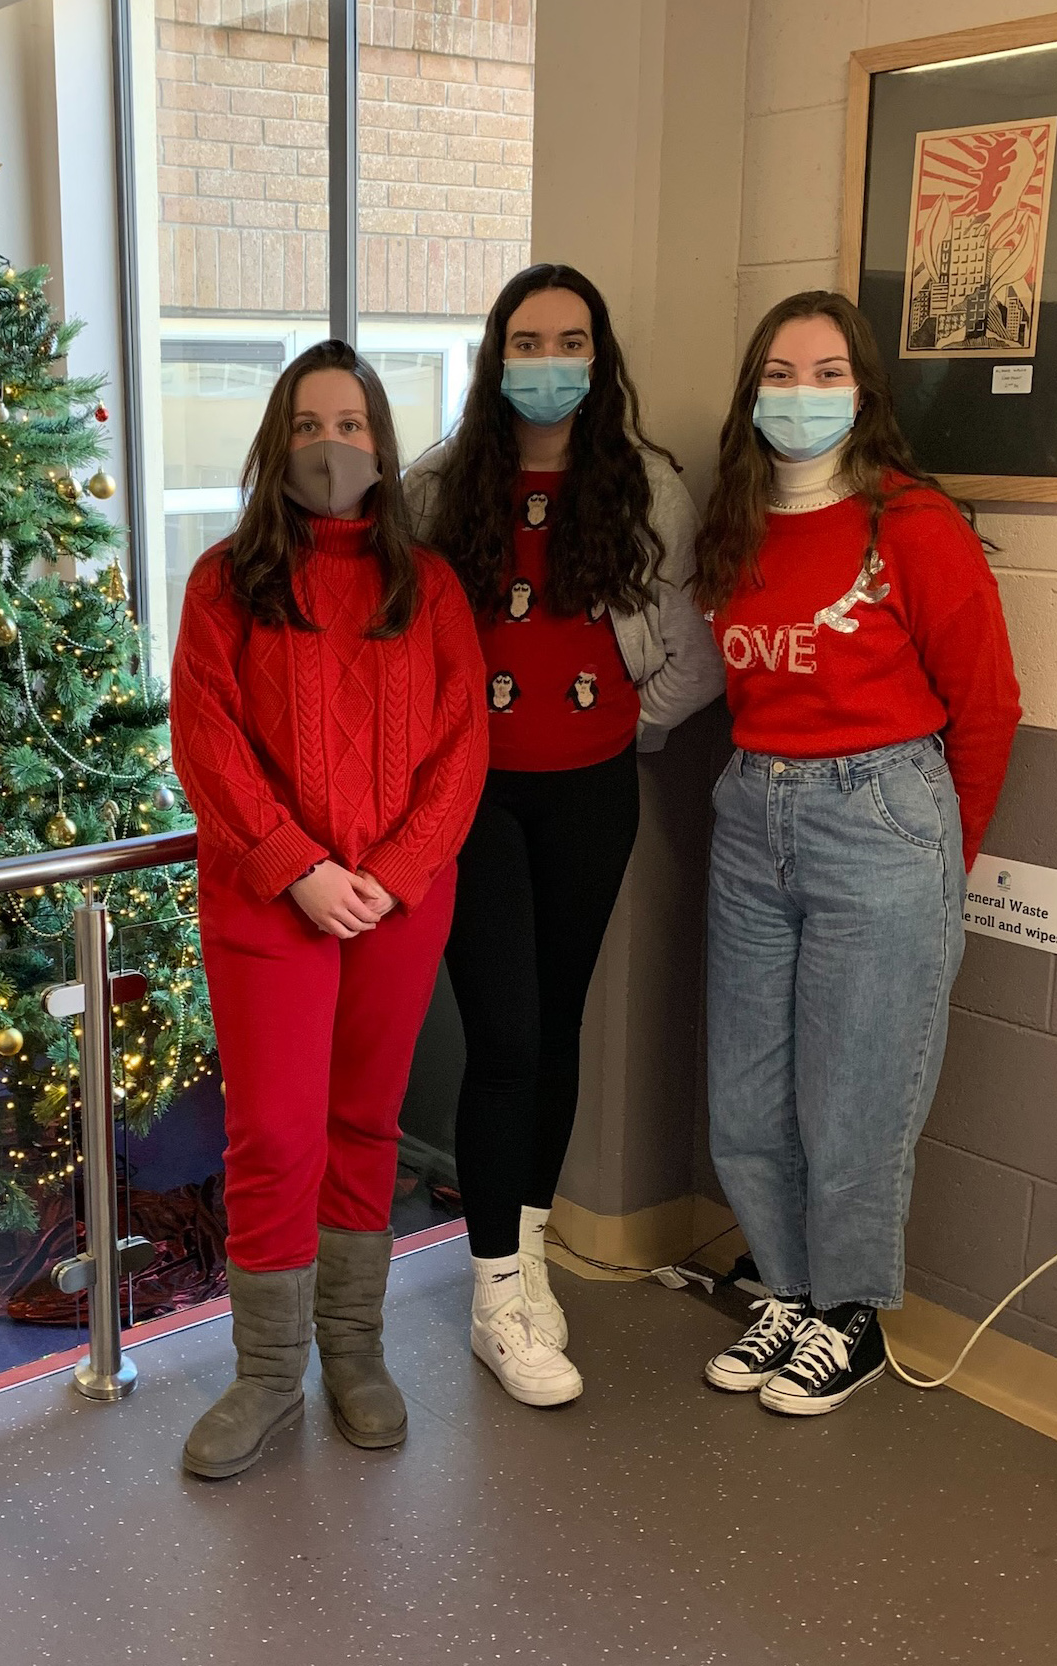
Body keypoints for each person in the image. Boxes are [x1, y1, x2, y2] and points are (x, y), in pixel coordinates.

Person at [695, 291, 1021, 1416]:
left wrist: (937, 863)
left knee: (854, 1101)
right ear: (752, 392)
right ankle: (786, 1289)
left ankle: (851, 1317)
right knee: (745, 1095)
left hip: (881, 817)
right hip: (751, 813)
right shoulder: (735, 524)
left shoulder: (912, 524)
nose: (802, 394)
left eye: (826, 373)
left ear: (864, 392)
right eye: (780, 373)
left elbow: (987, 706)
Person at [404, 264, 725, 1407]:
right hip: (473, 803)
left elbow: (692, 653)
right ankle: (494, 1291)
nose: (549, 363)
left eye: (571, 342)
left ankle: (527, 1250)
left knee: (554, 1032)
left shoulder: (645, 490)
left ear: (600, 358)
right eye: (527, 342)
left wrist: (627, 727)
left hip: (591, 796)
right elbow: (400, 653)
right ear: (496, 357)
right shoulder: (435, 491)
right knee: (503, 1036)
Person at [170, 340, 488, 1477]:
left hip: (397, 904)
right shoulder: (223, 583)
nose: (330, 445)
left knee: (365, 1124)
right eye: (307, 425)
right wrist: (295, 864)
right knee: (274, 1134)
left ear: (382, 444)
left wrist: (393, 873)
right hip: (270, 902)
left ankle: (354, 1349)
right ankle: (266, 1373)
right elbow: (205, 743)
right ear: (275, 442)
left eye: (350, 425)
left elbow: (462, 749)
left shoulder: (429, 587)